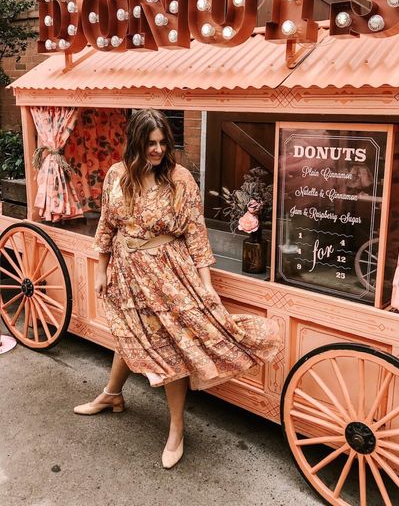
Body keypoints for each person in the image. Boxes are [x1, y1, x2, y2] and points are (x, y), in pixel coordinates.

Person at [73, 109, 282, 469]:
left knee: (170, 346)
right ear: (136, 143)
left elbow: (196, 232)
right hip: (126, 269)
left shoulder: (179, 177)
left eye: (162, 143)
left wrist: (205, 286)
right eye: (150, 143)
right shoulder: (117, 175)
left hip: (168, 271)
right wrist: (101, 270)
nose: (157, 150)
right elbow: (106, 226)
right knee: (130, 334)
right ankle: (111, 395)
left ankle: (176, 428)